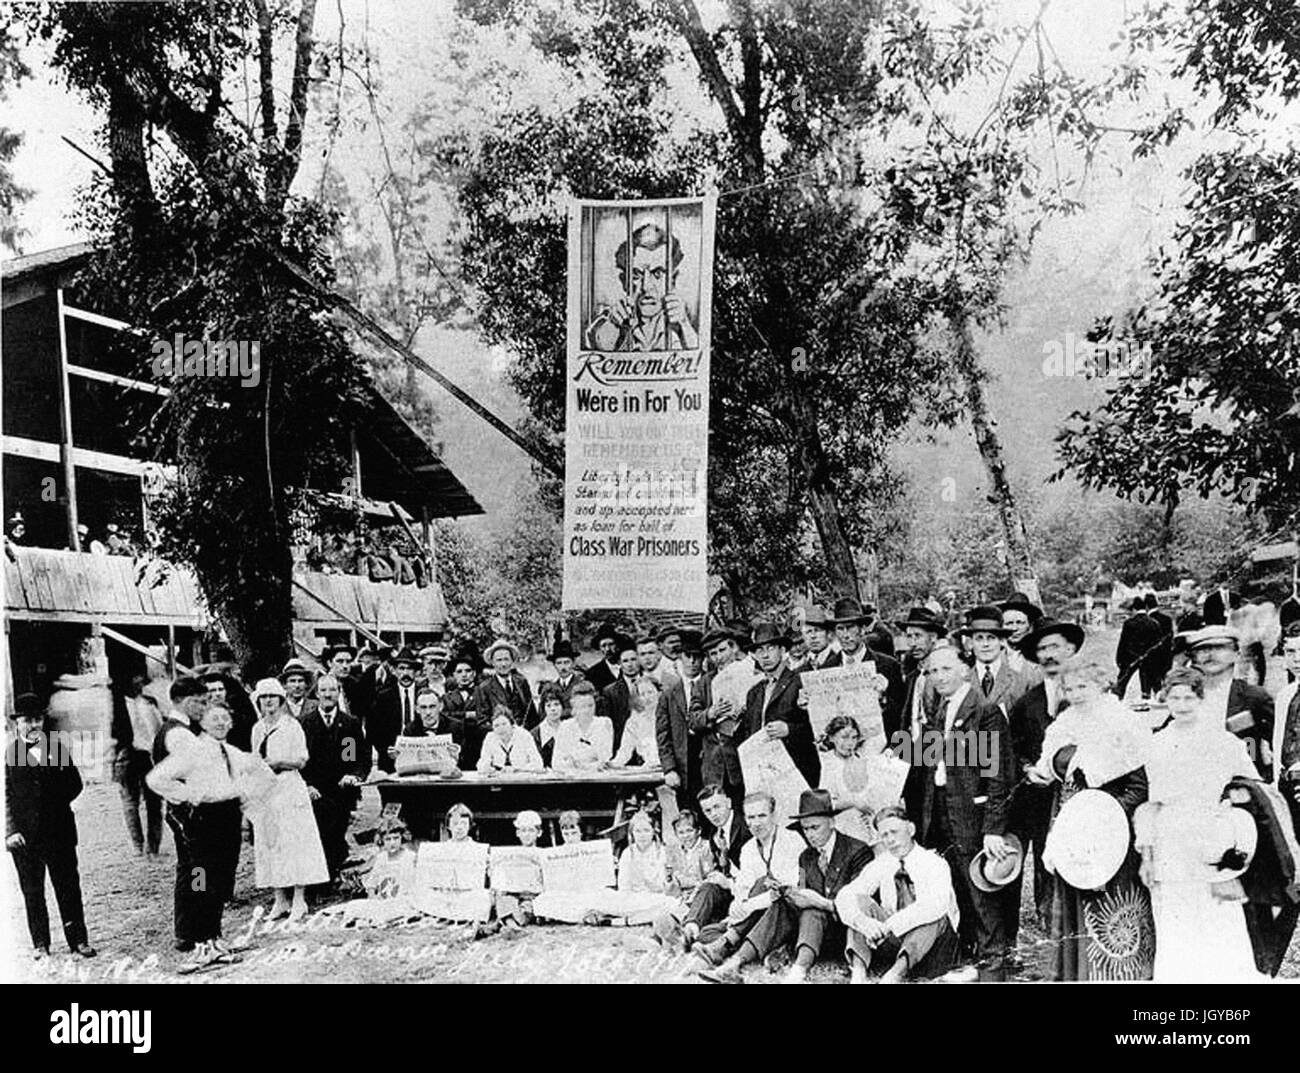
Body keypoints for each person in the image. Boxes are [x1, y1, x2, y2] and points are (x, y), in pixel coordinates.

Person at [1134, 667, 1262, 982]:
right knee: (1176, 918)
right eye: (1174, 697)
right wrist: (1147, 857)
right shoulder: (1156, 743)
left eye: (1189, 697)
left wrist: (1231, 804)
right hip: (1170, 839)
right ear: (1165, 700)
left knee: (1217, 917)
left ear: (1201, 698)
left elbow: (1253, 786)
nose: (1181, 704)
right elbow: (1151, 804)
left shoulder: (1224, 741)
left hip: (1212, 836)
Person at [1035, 654, 1155, 981]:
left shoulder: (1123, 721)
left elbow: (1140, 786)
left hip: (1112, 831)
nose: (1075, 693)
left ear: (1102, 683)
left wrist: (1103, 816)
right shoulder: (1063, 724)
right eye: (1069, 687)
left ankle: (1118, 975)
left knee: (1110, 906)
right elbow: (1058, 775)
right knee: (1075, 899)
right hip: (1070, 824)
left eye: (1083, 686)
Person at [914, 643, 1017, 980]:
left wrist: (993, 828)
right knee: (958, 889)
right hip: (942, 813)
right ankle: (971, 960)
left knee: (982, 893)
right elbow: (929, 766)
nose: (938, 677)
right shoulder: (939, 710)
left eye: (946, 669)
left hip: (972, 818)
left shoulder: (984, 710)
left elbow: (999, 776)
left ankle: (994, 969)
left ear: (964, 668)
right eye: (932, 671)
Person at [697, 789, 870, 984]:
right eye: (805, 829)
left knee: (807, 908)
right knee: (786, 901)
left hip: (843, 929)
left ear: (832, 822)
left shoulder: (856, 850)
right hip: (800, 926)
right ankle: (734, 962)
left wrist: (821, 903)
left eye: (815, 827)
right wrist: (793, 894)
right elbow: (799, 887)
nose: (810, 835)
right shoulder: (808, 856)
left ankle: (796, 972)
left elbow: (860, 901)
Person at [147, 702, 263, 972]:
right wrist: (190, 795)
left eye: (225, 718)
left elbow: (254, 768)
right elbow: (156, 779)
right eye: (215, 719)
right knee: (201, 881)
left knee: (221, 880)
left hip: (228, 818)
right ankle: (201, 944)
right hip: (203, 823)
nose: (221, 723)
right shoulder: (193, 750)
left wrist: (247, 793)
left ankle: (215, 939)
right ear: (203, 723)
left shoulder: (229, 751)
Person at [1005, 616, 1085, 934]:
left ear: (1070, 649)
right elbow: (1014, 746)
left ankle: (1081, 919)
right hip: (1039, 797)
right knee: (1044, 855)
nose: (1049, 654)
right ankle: (1049, 920)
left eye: (1055, 646)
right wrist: (1026, 767)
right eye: (1042, 649)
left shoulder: (1090, 693)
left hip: (1082, 796)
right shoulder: (1027, 703)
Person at [5, 694, 97, 960]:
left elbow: (75, 784)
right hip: (25, 837)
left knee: (68, 887)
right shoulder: (11, 754)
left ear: (42, 720)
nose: (33, 725)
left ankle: (78, 940)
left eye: (37, 719)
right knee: (33, 892)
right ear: (17, 724)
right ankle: (40, 944)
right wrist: (10, 831)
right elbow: (5, 797)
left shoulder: (56, 748)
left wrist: (53, 805)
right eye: (26, 720)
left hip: (59, 831)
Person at [836, 806, 961, 983]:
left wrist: (889, 926)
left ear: (911, 829)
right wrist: (863, 923)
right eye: (884, 835)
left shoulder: (934, 863)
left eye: (894, 832)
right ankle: (858, 972)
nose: (890, 840)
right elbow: (845, 895)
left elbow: (935, 906)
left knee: (934, 914)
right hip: (896, 942)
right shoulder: (883, 862)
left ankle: (894, 976)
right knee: (859, 900)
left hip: (934, 946)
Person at [691, 791, 804, 975]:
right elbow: (743, 888)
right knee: (708, 932)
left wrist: (749, 906)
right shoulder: (749, 848)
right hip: (759, 915)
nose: (757, 823)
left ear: (774, 816)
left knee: (765, 885)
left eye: (762, 816)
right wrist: (738, 908)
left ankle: (733, 958)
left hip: (788, 910)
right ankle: (760, 945)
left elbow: (785, 889)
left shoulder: (791, 840)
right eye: (751, 817)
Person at [247, 678, 330, 922]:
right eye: (264, 697)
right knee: (271, 842)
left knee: (295, 842)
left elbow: (302, 760)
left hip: (289, 785)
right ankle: (279, 898)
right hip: (267, 790)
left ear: (281, 700)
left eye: (273, 696)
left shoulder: (291, 726)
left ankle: (298, 899)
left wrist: (278, 762)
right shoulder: (257, 729)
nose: (269, 701)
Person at [584, 221, 699, 351]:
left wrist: (684, 325)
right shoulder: (615, 318)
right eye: (636, 274)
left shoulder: (680, 322)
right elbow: (593, 346)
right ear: (624, 282)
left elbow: (700, 358)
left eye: (657, 273)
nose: (646, 286)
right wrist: (613, 326)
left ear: (673, 279)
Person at [300, 673, 370, 883]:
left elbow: (361, 756)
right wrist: (307, 785)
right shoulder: (305, 723)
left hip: (342, 790)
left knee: (337, 832)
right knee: (319, 834)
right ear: (317, 694)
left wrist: (354, 775)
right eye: (323, 690)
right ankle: (320, 878)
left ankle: (334, 874)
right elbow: (300, 759)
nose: (328, 694)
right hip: (315, 791)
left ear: (338, 693)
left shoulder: (350, 723)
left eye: (332, 690)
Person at [1182, 625, 1274, 780]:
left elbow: (1280, 742)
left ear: (1236, 654)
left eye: (1220, 648)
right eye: (1203, 649)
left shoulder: (1254, 697)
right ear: (1194, 658)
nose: (1211, 655)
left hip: (1242, 787)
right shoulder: (1186, 697)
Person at [737, 621, 819, 787]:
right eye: (759, 650)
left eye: (770, 648)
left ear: (782, 650)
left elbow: (819, 728)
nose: (765, 656)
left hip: (796, 771)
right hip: (762, 771)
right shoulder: (754, 692)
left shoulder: (800, 682)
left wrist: (789, 730)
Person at [689, 625, 757, 808]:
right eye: (713, 653)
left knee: (744, 806)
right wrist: (710, 713)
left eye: (722, 650)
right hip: (714, 762)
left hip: (741, 757)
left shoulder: (750, 673)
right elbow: (692, 719)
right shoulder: (704, 683)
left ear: (734, 648)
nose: (719, 657)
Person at [827, 598, 907, 738]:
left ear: (862, 629)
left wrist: (883, 699)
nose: (846, 635)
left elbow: (901, 714)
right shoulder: (827, 668)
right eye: (840, 629)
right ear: (834, 633)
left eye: (851, 627)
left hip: (880, 748)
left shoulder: (888, 666)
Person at [109, 671, 163, 856]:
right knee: (130, 802)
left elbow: (159, 728)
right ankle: (138, 845)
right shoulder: (116, 705)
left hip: (148, 755)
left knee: (154, 801)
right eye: (136, 681)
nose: (139, 685)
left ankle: (153, 845)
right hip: (127, 755)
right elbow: (110, 735)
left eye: (141, 682)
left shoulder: (150, 703)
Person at [656, 629, 707, 805]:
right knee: (687, 812)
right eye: (687, 656)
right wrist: (669, 768)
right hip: (683, 763)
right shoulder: (669, 694)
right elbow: (663, 735)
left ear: (704, 658)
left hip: (709, 760)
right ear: (680, 658)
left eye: (697, 656)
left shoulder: (711, 685)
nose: (692, 662)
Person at [956, 605, 1033, 715]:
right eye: (979, 638)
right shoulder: (960, 682)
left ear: (1002, 641)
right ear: (971, 643)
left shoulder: (1022, 681)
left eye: (991, 638)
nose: (985, 644)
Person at [817, 715, 879, 847]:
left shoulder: (863, 760)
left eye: (854, 737)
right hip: (844, 828)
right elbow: (824, 804)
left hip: (870, 827)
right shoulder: (828, 765)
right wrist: (853, 803)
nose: (850, 743)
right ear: (832, 738)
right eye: (844, 737)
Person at [372, 647, 421, 774]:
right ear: (394, 671)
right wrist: (386, 750)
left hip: (420, 758)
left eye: (410, 669)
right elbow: (373, 730)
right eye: (402, 668)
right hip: (391, 761)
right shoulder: (383, 697)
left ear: (416, 672)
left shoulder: (424, 695)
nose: (406, 673)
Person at [474, 639, 539, 734]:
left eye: (506, 659)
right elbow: (482, 722)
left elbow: (531, 714)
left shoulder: (522, 682)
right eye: (499, 660)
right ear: (492, 663)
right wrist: (503, 730)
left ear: (512, 661)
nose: (503, 664)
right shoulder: (484, 688)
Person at [552, 681, 614, 771]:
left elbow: (604, 759)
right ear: (574, 707)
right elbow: (556, 763)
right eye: (583, 706)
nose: (587, 710)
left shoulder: (604, 724)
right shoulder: (565, 727)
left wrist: (576, 762)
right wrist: (590, 761)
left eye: (590, 705)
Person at [1116, 597, 1166, 700]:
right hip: (1150, 658)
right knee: (1154, 683)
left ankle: (1117, 698)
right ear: (1146, 609)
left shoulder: (1129, 623)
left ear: (1134, 609)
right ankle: (1155, 699)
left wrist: (1120, 660)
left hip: (1131, 658)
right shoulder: (1154, 623)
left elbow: (1123, 644)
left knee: (1122, 682)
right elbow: (1159, 645)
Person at [477, 706, 545, 773]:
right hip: (499, 780)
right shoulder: (490, 737)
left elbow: (538, 764)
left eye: (504, 724)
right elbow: (481, 764)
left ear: (511, 724)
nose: (501, 728)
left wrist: (518, 769)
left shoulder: (524, 735)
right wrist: (487, 768)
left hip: (523, 780)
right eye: (496, 725)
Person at [612, 675, 662, 767]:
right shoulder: (634, 722)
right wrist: (613, 764)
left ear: (659, 693)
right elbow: (625, 750)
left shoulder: (670, 716)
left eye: (650, 692)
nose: (647, 697)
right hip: (650, 769)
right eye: (642, 694)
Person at [443, 658, 483, 769]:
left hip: (479, 744)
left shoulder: (483, 693)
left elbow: (485, 714)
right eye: (459, 672)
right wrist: (467, 715)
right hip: (456, 746)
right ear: (454, 675)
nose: (464, 675)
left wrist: (455, 714)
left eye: (468, 671)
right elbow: (445, 717)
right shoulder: (447, 697)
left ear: (474, 674)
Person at [599, 643, 644, 741]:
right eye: (625, 661)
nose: (630, 664)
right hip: (622, 741)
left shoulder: (651, 685)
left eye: (633, 659)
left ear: (639, 661)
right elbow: (607, 724)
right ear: (620, 663)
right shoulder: (610, 691)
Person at [998, 593, 1045, 682]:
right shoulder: (993, 658)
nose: (1014, 629)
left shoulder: (1040, 657)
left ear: (1029, 626)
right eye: (1009, 623)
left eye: (1020, 623)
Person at [583, 622, 625, 694]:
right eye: (603, 646)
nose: (608, 649)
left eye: (611, 644)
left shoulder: (628, 666)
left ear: (617, 645)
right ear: (600, 648)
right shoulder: (593, 673)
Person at [532, 687, 568, 768]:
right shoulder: (535, 734)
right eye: (548, 705)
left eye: (556, 704)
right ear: (543, 709)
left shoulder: (569, 729)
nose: (553, 709)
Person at [799, 605, 840, 671]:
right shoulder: (799, 670)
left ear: (828, 633)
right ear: (803, 636)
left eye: (817, 630)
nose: (813, 636)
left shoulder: (841, 662)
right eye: (808, 632)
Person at [547, 640, 587, 706]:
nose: (563, 667)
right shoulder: (550, 689)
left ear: (573, 663)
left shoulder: (583, 685)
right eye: (559, 663)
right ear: (554, 665)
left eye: (566, 662)